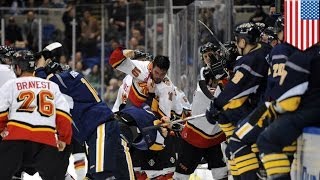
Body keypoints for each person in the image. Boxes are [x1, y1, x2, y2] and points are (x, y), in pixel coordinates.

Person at [35, 54, 134, 179]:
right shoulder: (69, 82)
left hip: (100, 128)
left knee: (100, 174)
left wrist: (39, 68)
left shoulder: (64, 78)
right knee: (116, 174)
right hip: (99, 130)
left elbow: (42, 85)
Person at [206, 22, 271, 179]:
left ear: (244, 41)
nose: (236, 43)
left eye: (237, 40)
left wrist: (217, 104)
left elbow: (235, 88)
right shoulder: (264, 49)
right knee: (233, 145)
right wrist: (232, 65)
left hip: (265, 109)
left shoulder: (249, 61)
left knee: (235, 143)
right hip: (266, 105)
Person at [0, 50, 72, 180]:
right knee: (55, 176)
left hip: (16, 139)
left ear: (17, 68)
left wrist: (2, 132)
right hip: (46, 142)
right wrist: (63, 139)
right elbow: (64, 115)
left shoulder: (11, 85)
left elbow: (1, 113)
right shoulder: (52, 86)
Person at [109, 48, 175, 179]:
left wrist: (164, 125)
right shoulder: (141, 68)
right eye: (156, 72)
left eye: (162, 74)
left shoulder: (167, 88)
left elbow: (162, 117)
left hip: (142, 124)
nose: (159, 77)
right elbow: (114, 60)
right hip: (126, 115)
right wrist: (131, 52)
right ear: (152, 66)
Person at [256, 44, 320, 179]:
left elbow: (289, 102)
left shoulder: (302, 57)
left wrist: (274, 109)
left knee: (267, 140)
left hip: (312, 111)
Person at [173, 42, 233, 180]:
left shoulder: (224, 71)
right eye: (205, 56)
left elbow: (222, 94)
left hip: (212, 129)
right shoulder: (205, 72)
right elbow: (209, 95)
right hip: (199, 129)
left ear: (218, 54)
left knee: (220, 170)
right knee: (182, 173)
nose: (207, 58)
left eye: (210, 55)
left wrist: (223, 76)